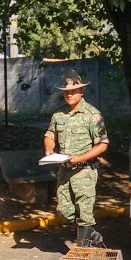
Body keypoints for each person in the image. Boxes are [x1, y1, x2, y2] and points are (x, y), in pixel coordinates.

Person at [43, 69, 109, 248]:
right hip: (64, 170)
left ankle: (83, 250)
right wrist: (49, 149)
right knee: (64, 210)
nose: (69, 94)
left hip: (84, 170)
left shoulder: (92, 115)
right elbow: (50, 135)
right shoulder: (59, 115)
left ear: (82, 91)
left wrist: (80, 158)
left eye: (73, 90)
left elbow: (102, 144)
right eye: (66, 91)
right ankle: (93, 235)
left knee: (84, 211)